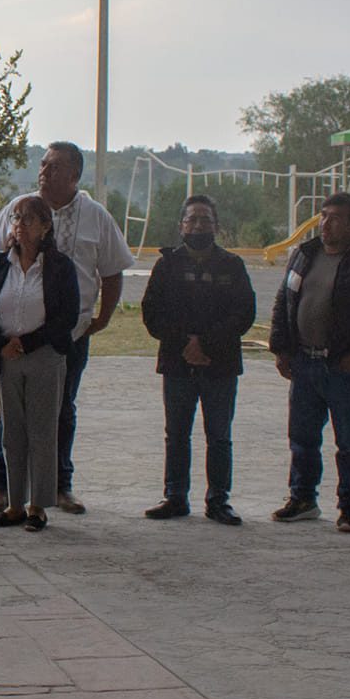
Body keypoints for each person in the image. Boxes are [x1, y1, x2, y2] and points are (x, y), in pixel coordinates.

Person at [0, 141, 135, 516]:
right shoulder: (19, 208)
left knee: (61, 410)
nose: (45, 171)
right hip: (11, 337)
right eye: (44, 164)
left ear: (75, 175)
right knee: (10, 412)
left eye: (55, 166)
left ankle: (59, 487)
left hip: (67, 335)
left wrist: (103, 318)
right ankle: (3, 486)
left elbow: (112, 271)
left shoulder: (96, 216)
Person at [268, 191, 350, 530]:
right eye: (324, 216)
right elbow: (284, 301)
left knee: (349, 440)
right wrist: (281, 348)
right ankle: (303, 498)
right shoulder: (304, 254)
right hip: (304, 363)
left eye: (335, 218)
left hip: (343, 367)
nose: (326, 223)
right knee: (302, 436)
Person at [139, 195, 256, 526]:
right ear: (181, 226)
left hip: (219, 364)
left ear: (217, 227)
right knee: (176, 433)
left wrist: (204, 343)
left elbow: (243, 313)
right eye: (192, 220)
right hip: (177, 363)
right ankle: (175, 496)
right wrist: (185, 344)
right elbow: (152, 313)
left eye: (205, 219)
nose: (199, 225)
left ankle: (218, 500)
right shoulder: (167, 265)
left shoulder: (232, 265)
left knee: (219, 435)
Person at [0, 195, 80, 532]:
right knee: (12, 431)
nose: (19, 225)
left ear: (45, 227)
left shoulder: (60, 266)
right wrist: (2, 342)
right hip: (7, 356)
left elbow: (67, 315)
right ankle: (15, 504)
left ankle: (38, 506)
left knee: (42, 430)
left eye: (28, 219)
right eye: (15, 218)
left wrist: (28, 342)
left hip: (44, 355)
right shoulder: (0, 262)